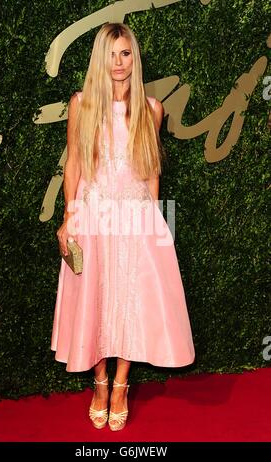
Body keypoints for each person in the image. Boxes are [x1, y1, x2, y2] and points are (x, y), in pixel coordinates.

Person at [52, 22, 195, 431]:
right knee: (94, 299)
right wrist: (69, 216)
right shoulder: (81, 103)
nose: (119, 63)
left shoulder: (152, 109)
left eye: (126, 53)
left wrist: (154, 221)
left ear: (135, 58)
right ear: (101, 58)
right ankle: (98, 382)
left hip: (134, 218)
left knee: (132, 301)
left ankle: (120, 386)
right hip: (94, 214)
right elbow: (75, 165)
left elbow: (150, 171)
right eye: (112, 54)